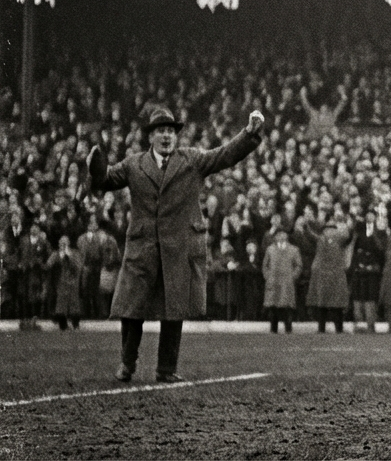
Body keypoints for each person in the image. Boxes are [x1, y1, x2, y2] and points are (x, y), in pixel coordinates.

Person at [89, 105, 264, 382]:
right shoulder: (134, 164)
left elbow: (224, 156)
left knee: (174, 310)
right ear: (150, 137)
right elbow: (106, 180)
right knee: (131, 310)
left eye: (171, 131)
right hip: (143, 247)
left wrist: (249, 134)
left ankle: (166, 369)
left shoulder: (192, 160)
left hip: (178, 248)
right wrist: (96, 166)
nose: (167, 136)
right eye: (161, 131)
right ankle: (127, 363)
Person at [306, 218, 351, 333]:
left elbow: (348, 235)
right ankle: (329, 329)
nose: (330, 232)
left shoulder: (334, 239)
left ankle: (331, 329)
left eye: (332, 229)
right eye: (328, 229)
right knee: (328, 304)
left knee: (331, 304)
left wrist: (306, 226)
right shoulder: (324, 239)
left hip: (331, 275)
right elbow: (311, 235)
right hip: (328, 275)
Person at [262, 229, 303, 333]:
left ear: (287, 236)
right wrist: (268, 277)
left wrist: (293, 277)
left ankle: (288, 329)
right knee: (273, 308)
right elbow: (265, 265)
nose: (281, 236)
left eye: (283, 234)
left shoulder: (294, 250)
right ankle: (273, 330)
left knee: (287, 308)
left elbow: (298, 265)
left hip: (287, 284)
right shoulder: (270, 249)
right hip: (273, 282)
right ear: (275, 237)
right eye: (278, 234)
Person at [46, 235, 83, 330]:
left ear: (68, 243)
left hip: (73, 283)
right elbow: (48, 265)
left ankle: (75, 324)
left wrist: (69, 256)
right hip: (61, 283)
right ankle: (62, 324)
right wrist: (59, 257)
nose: (62, 245)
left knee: (74, 304)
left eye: (64, 243)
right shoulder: (56, 254)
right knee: (61, 305)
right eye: (61, 243)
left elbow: (78, 266)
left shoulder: (74, 253)